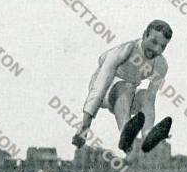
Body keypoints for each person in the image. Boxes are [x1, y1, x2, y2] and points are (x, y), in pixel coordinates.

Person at [72, 20, 174, 158]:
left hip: (130, 92)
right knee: (124, 88)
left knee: (144, 95)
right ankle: (126, 134)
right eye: (154, 42)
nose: (157, 50)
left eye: (163, 46)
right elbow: (100, 85)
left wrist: (148, 130)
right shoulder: (126, 50)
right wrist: (84, 127)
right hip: (106, 89)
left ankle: (147, 136)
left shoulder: (161, 65)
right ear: (144, 35)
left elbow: (150, 98)